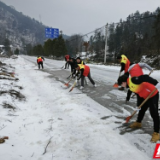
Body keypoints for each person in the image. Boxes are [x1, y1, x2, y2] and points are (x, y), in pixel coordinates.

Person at [118, 74, 159, 143]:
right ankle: (138, 123)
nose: (122, 86)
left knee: (154, 113)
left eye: (121, 84)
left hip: (152, 94)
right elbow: (138, 94)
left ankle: (156, 133)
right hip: (144, 96)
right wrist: (138, 105)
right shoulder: (130, 87)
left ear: (123, 82)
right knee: (141, 109)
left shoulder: (133, 80)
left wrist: (156, 83)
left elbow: (145, 77)